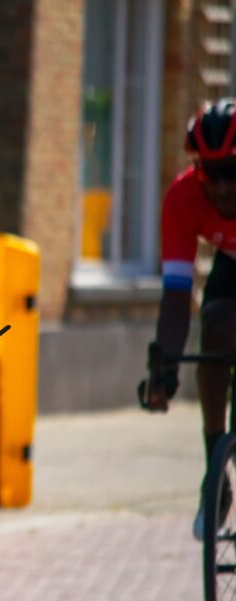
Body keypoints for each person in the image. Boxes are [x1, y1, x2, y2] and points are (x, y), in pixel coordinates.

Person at [140, 97, 236, 541]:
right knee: (215, 324)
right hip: (230, 264)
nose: (222, 187)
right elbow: (176, 297)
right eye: (211, 174)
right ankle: (215, 474)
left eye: (231, 173)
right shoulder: (183, 198)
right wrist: (164, 372)